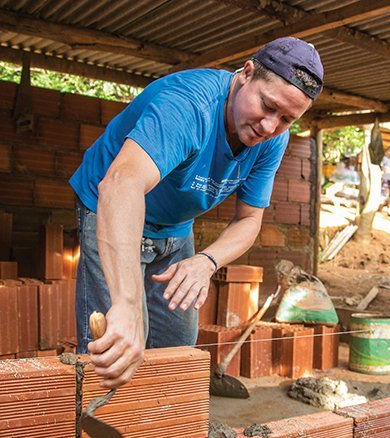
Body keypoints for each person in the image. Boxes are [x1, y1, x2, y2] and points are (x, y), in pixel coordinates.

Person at [69, 37, 324, 389]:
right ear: (246, 74)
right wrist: (127, 304)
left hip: (175, 227)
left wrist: (206, 262)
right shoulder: (189, 105)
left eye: (286, 119)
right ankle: (98, 429)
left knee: (178, 344)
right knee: (120, 342)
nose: (269, 126)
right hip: (111, 207)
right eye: (267, 106)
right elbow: (121, 185)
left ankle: (164, 430)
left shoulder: (272, 138)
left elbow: (250, 220)